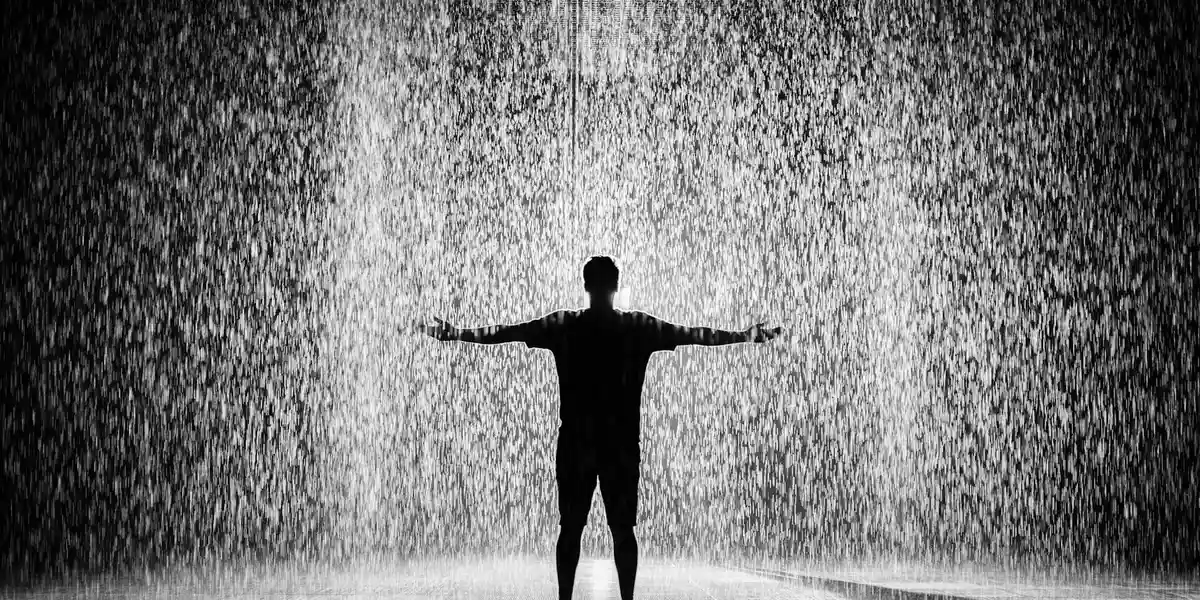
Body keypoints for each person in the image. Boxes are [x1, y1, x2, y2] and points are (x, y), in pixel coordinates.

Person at [412, 255, 783, 600]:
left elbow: (504, 332)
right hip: (620, 445)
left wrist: (458, 332)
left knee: (570, 530)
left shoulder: (565, 326)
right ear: (616, 285)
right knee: (623, 531)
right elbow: (695, 335)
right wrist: (743, 335)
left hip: (576, 443)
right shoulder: (637, 327)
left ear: (586, 286)